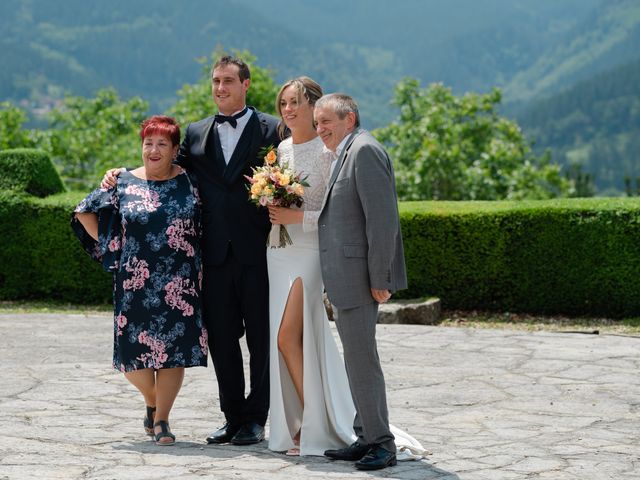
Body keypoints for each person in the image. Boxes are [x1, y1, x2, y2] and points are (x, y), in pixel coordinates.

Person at [101, 56, 280, 445]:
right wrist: (121, 173)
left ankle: (256, 417)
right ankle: (232, 415)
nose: (220, 88)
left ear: (246, 85)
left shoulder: (272, 129)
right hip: (211, 258)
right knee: (221, 339)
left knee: (261, 340)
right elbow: (160, 164)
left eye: (229, 81)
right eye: (216, 81)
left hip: (259, 252)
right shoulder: (197, 133)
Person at [72, 115, 208, 446]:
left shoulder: (191, 182)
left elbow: (207, 223)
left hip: (181, 281)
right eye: (148, 143)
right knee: (133, 357)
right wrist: (111, 249)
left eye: (162, 143)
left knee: (174, 354)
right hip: (135, 282)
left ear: (176, 149)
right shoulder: (121, 182)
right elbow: (83, 211)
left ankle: (161, 419)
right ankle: (152, 401)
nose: (154, 150)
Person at [314, 93, 410, 470]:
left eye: (326, 122)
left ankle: (383, 444)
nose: (320, 129)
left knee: (363, 361)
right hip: (347, 278)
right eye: (318, 123)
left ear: (349, 119)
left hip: (359, 280)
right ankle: (365, 435)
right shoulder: (349, 149)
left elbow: (383, 221)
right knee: (355, 361)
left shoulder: (365, 151)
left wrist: (380, 277)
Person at [265, 77, 356, 456]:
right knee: (288, 340)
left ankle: (315, 422)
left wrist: (294, 217)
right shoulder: (282, 149)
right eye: (283, 103)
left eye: (295, 103)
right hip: (276, 251)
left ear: (314, 108)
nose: (287, 110)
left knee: (287, 338)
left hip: (309, 252)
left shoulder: (327, 151)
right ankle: (298, 423)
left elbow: (336, 215)